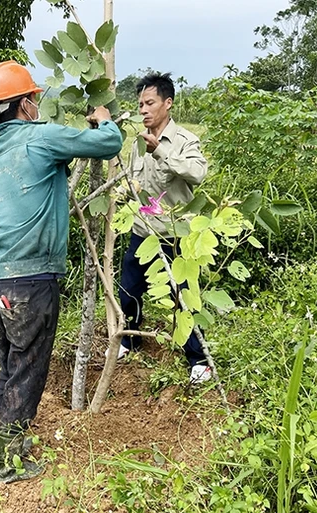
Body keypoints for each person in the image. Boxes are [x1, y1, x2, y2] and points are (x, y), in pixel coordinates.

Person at [0, 60, 123, 484]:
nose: (37, 105)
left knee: (12, 364)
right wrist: (105, 121)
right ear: (24, 104)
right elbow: (108, 144)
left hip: (1, 277)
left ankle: (6, 444)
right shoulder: (39, 138)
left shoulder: (0, 148)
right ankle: (5, 465)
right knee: (28, 368)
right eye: (34, 99)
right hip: (31, 280)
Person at [116, 72, 211, 383]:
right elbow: (135, 183)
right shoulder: (136, 144)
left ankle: (199, 359)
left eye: (150, 103)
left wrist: (161, 150)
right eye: (140, 104)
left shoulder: (184, 141)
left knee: (183, 297)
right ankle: (130, 341)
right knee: (129, 292)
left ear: (167, 104)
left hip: (176, 237)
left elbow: (197, 174)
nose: (143, 110)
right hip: (143, 232)